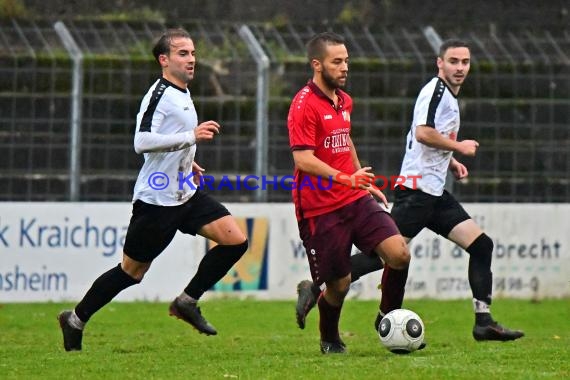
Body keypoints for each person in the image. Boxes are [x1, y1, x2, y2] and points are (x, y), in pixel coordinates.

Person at [295, 39, 524, 342]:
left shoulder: (348, 101)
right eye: (453, 61)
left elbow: (415, 136)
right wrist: (458, 146)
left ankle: (483, 321)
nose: (460, 68)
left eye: (465, 62)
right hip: (416, 191)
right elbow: (422, 133)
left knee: (479, 246)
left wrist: (450, 160)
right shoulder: (436, 92)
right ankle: (324, 288)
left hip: (434, 191)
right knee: (384, 257)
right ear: (439, 63)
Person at [57, 28, 248, 351]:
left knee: (235, 240)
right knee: (131, 273)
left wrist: (189, 160)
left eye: (193, 53)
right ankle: (75, 319)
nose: (192, 60)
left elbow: (171, 138)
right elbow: (141, 142)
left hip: (185, 192)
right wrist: (191, 138)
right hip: (157, 202)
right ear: (164, 59)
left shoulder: (183, 91)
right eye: (183, 54)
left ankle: (187, 301)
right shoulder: (157, 94)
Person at [287, 32, 412, 354]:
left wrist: (362, 180)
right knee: (339, 285)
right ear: (317, 65)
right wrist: (345, 177)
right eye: (337, 62)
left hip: (354, 196)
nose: (344, 68)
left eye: (346, 61)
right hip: (320, 208)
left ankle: (389, 318)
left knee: (399, 253)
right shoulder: (303, 105)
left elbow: (345, 139)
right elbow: (303, 159)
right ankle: (329, 337)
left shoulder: (344, 100)